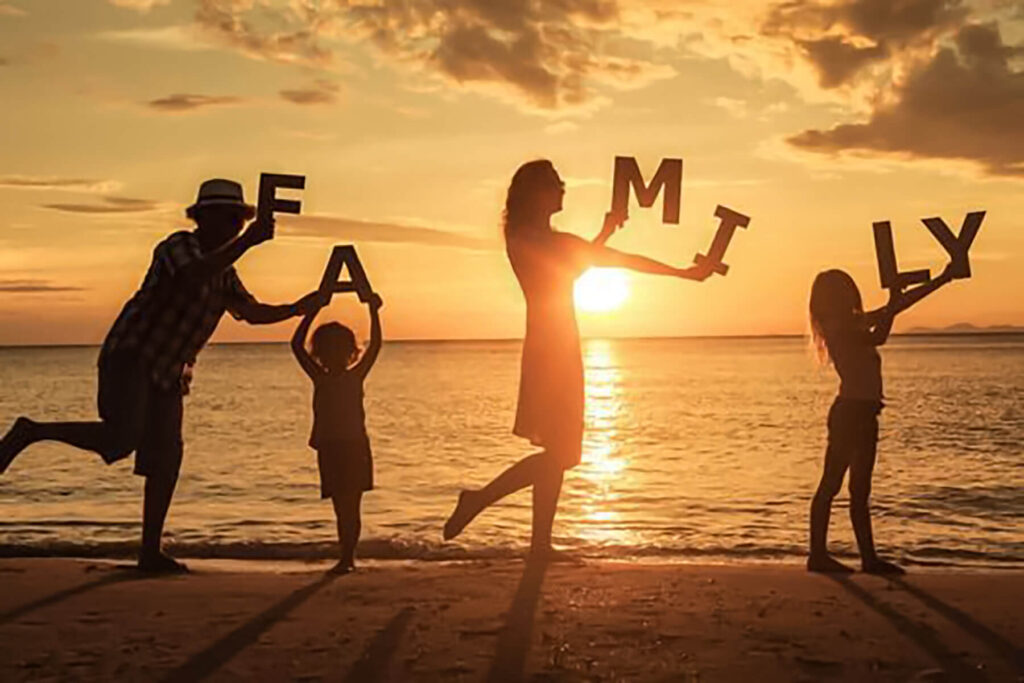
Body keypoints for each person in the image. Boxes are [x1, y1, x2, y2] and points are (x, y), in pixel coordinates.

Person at [0, 178, 321, 573]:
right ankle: (30, 431)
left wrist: (297, 308)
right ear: (202, 217)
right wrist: (249, 242)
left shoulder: (226, 272)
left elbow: (252, 312)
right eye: (228, 217)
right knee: (122, 438)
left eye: (238, 218)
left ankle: (149, 551)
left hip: (170, 371)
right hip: (133, 354)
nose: (234, 225)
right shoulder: (177, 247)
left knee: (166, 458)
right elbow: (191, 275)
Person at [443, 159, 714, 559]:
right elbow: (611, 260)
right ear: (535, 193)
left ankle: (539, 544)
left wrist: (605, 231)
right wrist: (682, 273)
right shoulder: (532, 239)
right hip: (552, 351)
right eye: (555, 184)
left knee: (557, 451)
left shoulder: (529, 237)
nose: (563, 189)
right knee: (564, 453)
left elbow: (576, 266)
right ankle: (480, 498)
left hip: (555, 345)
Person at [807, 264, 955, 574]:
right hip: (849, 413)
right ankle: (818, 556)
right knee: (831, 485)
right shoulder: (837, 328)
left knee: (860, 490)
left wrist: (941, 280)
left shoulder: (853, 323)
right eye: (844, 290)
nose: (851, 294)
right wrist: (895, 298)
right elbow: (882, 334)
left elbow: (894, 308)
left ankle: (868, 559)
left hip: (866, 413)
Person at [291, 291, 383, 574]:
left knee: (350, 505)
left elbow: (376, 345)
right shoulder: (320, 376)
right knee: (342, 506)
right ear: (320, 354)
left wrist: (374, 310)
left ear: (348, 352)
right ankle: (346, 557)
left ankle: (348, 558)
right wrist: (311, 311)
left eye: (338, 350)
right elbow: (296, 345)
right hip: (332, 446)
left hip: (352, 446)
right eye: (328, 351)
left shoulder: (355, 375)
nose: (334, 356)